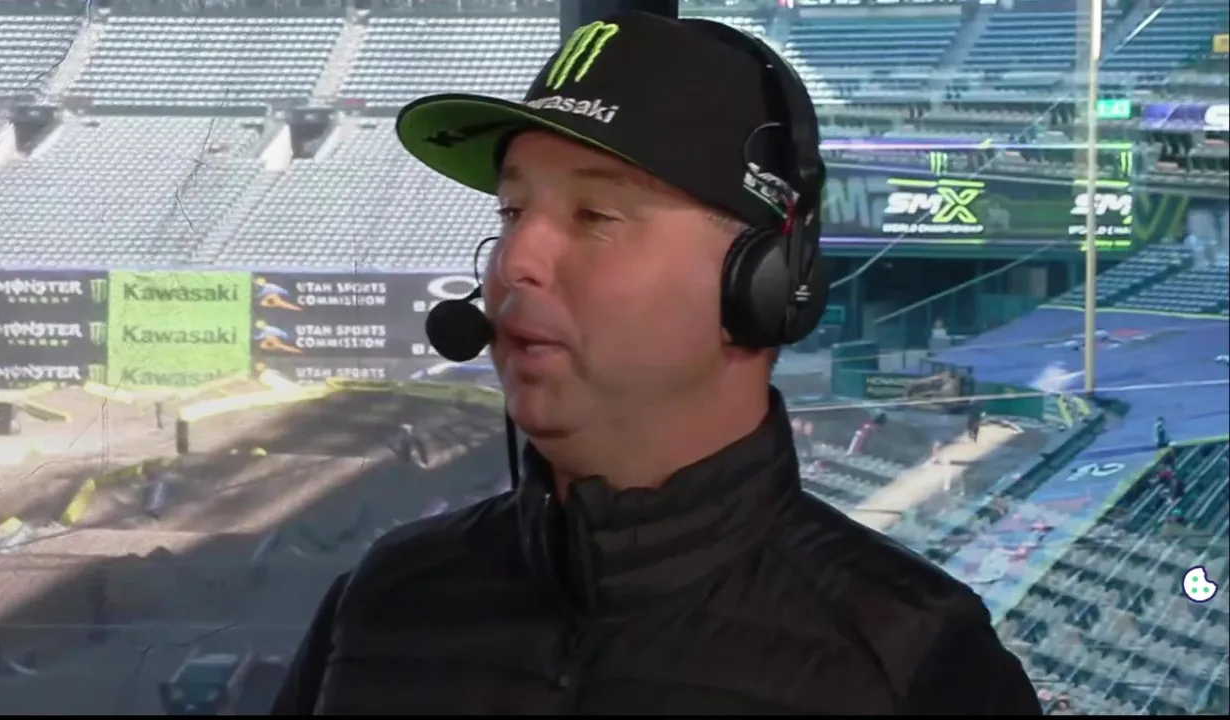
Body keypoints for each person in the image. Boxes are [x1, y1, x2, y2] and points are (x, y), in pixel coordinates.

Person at [272, 12, 1040, 715]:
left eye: (595, 215)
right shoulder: (378, 605)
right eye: (511, 211)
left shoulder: (916, 661)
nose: (516, 259)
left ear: (765, 284)